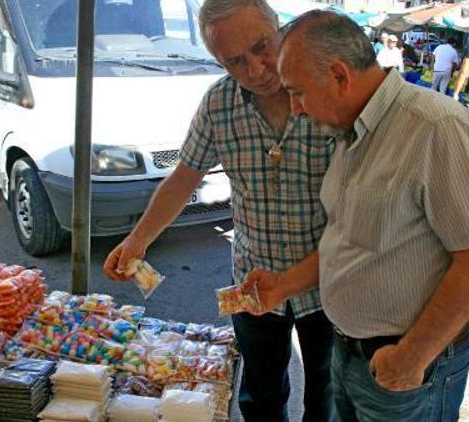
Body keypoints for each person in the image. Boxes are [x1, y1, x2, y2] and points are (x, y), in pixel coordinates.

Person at [246, 9, 469, 421]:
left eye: (298, 92)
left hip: (408, 368)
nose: (295, 108)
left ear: (339, 76)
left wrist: (411, 357)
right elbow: (347, 237)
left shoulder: (436, 127)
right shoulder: (351, 130)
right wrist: (283, 285)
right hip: (349, 355)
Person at [102, 1, 336, 421]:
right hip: (252, 278)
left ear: (279, 29)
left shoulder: (324, 91)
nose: (256, 69)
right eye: (235, 61)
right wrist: (138, 240)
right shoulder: (218, 104)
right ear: (217, 61)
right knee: (261, 394)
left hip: (329, 278)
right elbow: (183, 178)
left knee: (328, 394)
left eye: (261, 46)